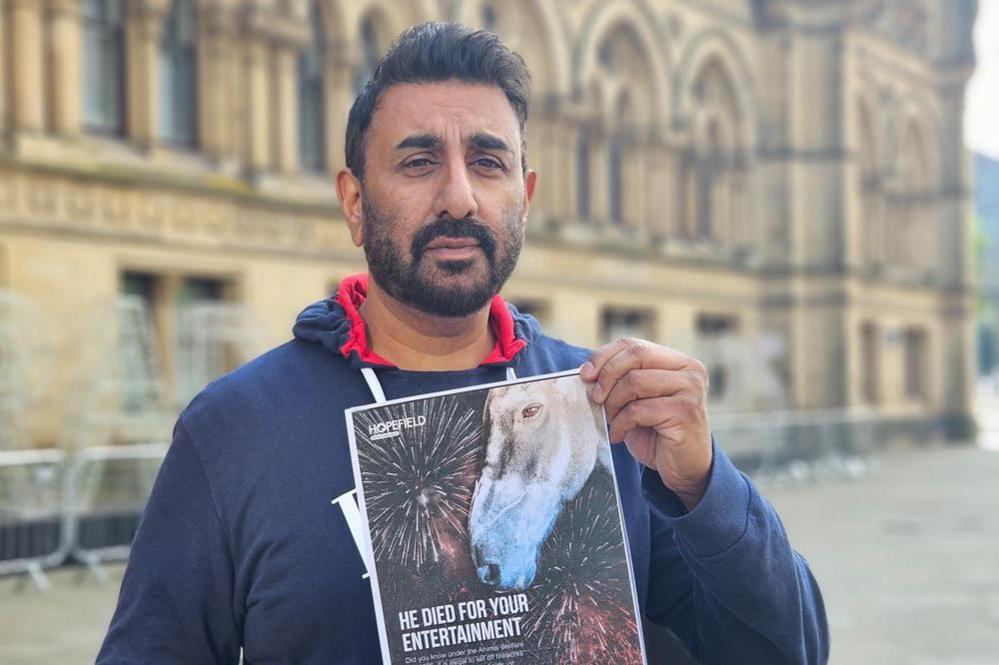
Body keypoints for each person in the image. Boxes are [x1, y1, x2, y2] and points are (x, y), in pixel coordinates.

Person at [97, 22, 828, 665]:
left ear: (524, 196)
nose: (458, 196)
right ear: (354, 202)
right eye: (418, 162)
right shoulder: (235, 429)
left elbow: (786, 648)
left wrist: (703, 483)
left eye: (487, 161)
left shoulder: (606, 412)